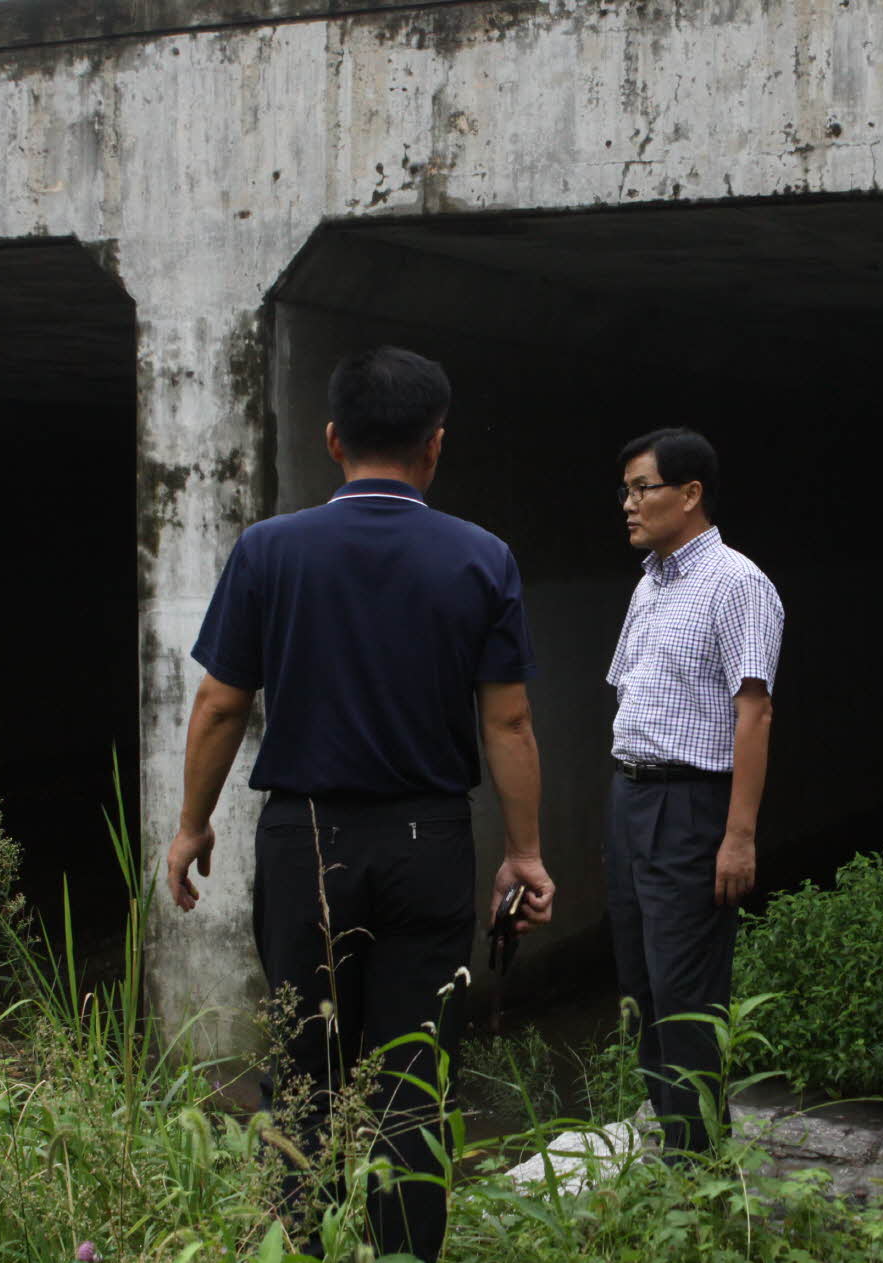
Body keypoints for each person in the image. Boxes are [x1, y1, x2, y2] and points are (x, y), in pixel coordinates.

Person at [163, 346, 555, 1259]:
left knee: (304, 1065)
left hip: (306, 843)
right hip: (431, 842)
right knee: (416, 1072)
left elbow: (222, 701)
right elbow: (509, 720)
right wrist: (525, 853)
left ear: (332, 438)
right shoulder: (481, 557)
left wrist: (191, 824)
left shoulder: (269, 550)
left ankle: (303, 1245)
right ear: (435, 446)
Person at [604, 427, 783, 1157]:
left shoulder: (738, 583)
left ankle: (697, 1167)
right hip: (631, 799)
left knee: (685, 991)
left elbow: (755, 710)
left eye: (642, 488)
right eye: (625, 490)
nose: (628, 504)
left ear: (690, 493)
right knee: (640, 984)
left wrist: (737, 834)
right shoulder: (650, 580)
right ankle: (678, 1146)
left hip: (691, 806)